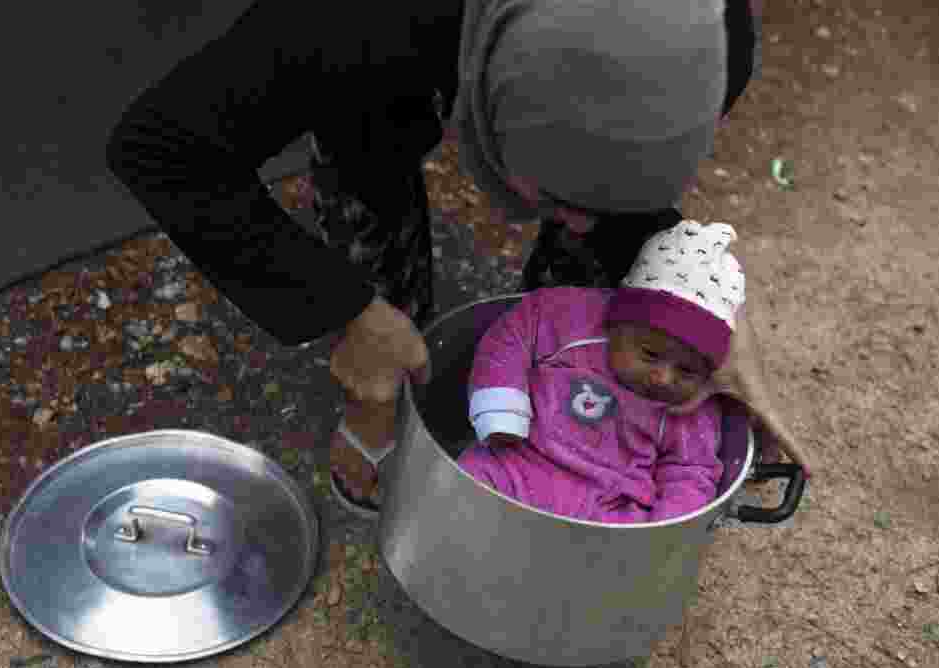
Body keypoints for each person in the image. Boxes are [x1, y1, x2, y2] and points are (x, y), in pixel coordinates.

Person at [106, 0, 804, 520]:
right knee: (367, 124)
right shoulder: (353, 24)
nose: (587, 222)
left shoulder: (716, 38)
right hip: (387, 36)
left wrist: (695, 299)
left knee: (602, 231)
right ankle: (386, 356)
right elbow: (163, 147)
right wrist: (342, 304)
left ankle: (562, 395)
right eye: (559, 194)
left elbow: (628, 176)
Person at [456, 220, 743, 522]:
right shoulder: (571, 323)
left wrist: (667, 528)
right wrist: (501, 412)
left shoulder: (691, 408)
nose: (663, 377)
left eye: (686, 371)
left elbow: (690, 471)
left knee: (627, 553)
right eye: (650, 354)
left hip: (607, 505)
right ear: (616, 324)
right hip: (520, 460)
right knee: (465, 484)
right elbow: (513, 336)